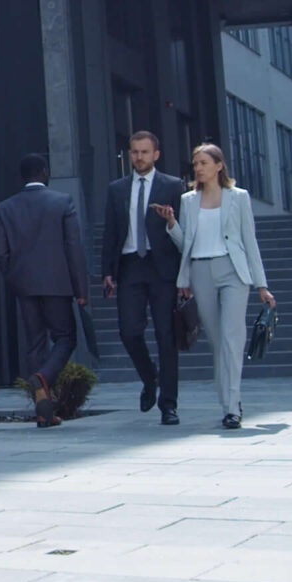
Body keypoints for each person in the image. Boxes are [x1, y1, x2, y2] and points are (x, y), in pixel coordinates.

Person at [165, 143, 272, 430]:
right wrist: (173, 224)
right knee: (216, 341)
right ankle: (228, 402)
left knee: (231, 339)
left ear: (218, 166)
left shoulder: (238, 197)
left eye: (203, 162)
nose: (197, 168)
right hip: (201, 270)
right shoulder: (188, 200)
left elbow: (250, 241)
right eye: (195, 163)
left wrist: (261, 284)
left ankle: (232, 407)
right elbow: (185, 243)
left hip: (233, 270)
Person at [0, 154, 88, 428]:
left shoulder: (5, 208)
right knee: (66, 337)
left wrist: (15, 280)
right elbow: (73, 248)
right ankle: (44, 377)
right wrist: (80, 289)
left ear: (22, 176)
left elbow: (1, 254)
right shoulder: (62, 202)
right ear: (45, 172)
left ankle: (43, 411)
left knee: (34, 343)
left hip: (24, 285)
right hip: (58, 284)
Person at [103, 131, 187, 425]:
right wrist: (107, 272)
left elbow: (184, 234)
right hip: (129, 266)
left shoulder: (174, 186)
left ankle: (169, 405)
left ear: (156, 155)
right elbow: (110, 232)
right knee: (129, 331)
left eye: (144, 152)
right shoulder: (116, 189)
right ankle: (150, 377)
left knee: (166, 336)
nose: (138, 157)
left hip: (162, 268)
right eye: (134, 152)